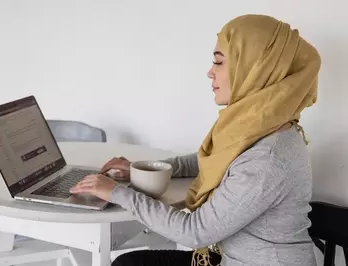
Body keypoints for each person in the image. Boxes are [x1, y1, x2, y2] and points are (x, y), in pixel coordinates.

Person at [70, 14, 321, 266]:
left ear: (253, 70)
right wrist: (143, 169)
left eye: (219, 62)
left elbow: (194, 231)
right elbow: (218, 159)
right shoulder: (263, 126)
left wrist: (116, 193)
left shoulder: (267, 158)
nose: (210, 72)